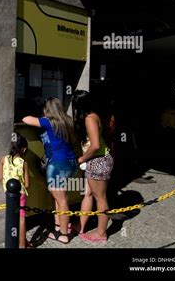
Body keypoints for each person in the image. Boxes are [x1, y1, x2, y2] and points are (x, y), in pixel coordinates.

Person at [22, 97, 77, 244]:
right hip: (70, 163)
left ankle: (64, 234)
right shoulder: (67, 121)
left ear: (48, 109)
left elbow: (26, 119)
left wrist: (40, 115)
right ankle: (60, 227)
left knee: (61, 199)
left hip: (58, 165)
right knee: (59, 197)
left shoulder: (48, 122)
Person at [72, 90, 114, 243]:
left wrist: (81, 158)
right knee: (88, 195)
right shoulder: (92, 116)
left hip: (98, 161)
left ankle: (101, 233)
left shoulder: (89, 118)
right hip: (95, 161)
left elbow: (95, 145)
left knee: (100, 198)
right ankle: (81, 226)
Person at [0, 135, 30, 248]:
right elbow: (27, 184)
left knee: (11, 217)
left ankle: (12, 241)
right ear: (24, 149)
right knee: (21, 219)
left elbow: (1, 177)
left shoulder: (2, 159)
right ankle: (22, 245)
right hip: (20, 193)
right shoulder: (23, 163)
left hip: (9, 193)